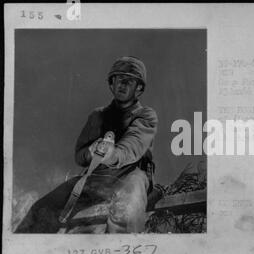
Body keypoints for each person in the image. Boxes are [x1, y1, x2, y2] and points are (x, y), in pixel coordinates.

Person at [15, 56, 158, 234]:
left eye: (128, 81)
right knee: (42, 209)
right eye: (117, 79)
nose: (121, 84)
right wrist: (90, 153)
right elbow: (80, 155)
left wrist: (111, 154)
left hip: (131, 175)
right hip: (97, 178)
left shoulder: (146, 116)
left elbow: (132, 147)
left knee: (127, 210)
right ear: (111, 84)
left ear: (139, 89)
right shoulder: (97, 116)